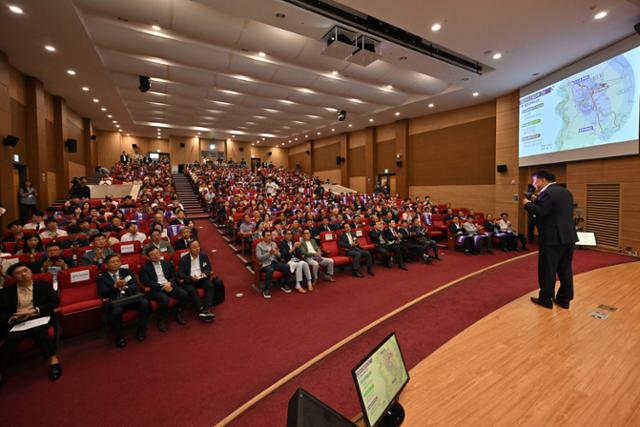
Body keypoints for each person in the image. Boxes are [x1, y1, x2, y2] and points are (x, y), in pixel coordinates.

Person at [523, 171, 578, 309]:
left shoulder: (547, 193)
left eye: (535, 181)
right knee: (565, 268)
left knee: (547, 269)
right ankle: (564, 299)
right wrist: (537, 201)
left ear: (542, 180)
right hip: (569, 236)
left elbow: (541, 212)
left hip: (552, 237)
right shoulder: (565, 192)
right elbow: (554, 210)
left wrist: (527, 204)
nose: (534, 184)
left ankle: (545, 299)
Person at [0, 263, 62, 385]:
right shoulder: (6, 292)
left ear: (31, 272)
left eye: (25, 271)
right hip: (17, 321)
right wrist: (11, 318)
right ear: (13, 277)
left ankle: (54, 361)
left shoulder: (43, 285)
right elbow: (1, 312)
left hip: (38, 317)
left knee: (38, 331)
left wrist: (35, 310)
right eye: (18, 273)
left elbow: (54, 302)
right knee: (12, 337)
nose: (23, 274)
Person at [96, 254, 150, 347]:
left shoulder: (127, 272)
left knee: (144, 303)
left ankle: (141, 330)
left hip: (130, 299)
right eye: (113, 262)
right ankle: (119, 337)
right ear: (106, 265)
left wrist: (125, 287)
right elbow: (103, 293)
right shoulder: (101, 278)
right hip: (116, 302)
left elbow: (135, 285)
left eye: (118, 261)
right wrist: (115, 287)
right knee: (117, 311)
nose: (116, 264)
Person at [139, 247, 189, 332]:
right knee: (164, 299)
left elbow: (173, 276)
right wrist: (162, 286)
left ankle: (178, 313)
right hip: (155, 289)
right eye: (152, 255)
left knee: (184, 294)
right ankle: (161, 319)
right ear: (148, 257)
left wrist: (170, 283)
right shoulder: (144, 268)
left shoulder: (167, 263)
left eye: (157, 253)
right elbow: (146, 282)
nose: (156, 256)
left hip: (169, 285)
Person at [177, 240, 216, 321]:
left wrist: (204, 273)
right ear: (189, 249)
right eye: (194, 247)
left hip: (201, 278)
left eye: (198, 246)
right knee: (192, 290)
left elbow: (208, 268)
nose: (197, 249)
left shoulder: (203, 255)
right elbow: (180, 273)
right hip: (189, 280)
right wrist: (191, 278)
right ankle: (201, 309)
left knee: (210, 286)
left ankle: (207, 307)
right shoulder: (184, 259)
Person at [255, 230, 292, 299]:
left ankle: (285, 284)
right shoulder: (259, 245)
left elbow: (279, 255)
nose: (269, 237)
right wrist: (269, 253)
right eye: (267, 235)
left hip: (274, 262)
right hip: (265, 264)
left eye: (270, 235)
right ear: (263, 237)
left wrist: (277, 253)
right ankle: (266, 289)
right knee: (270, 270)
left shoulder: (274, 244)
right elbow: (259, 258)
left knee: (286, 266)